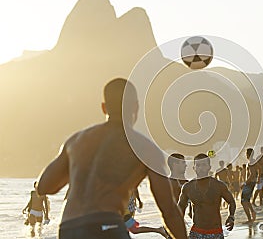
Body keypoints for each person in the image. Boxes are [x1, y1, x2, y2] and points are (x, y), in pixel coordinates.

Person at [36, 78, 187, 239]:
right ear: (136, 106)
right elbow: (168, 209)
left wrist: (79, 168)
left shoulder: (77, 141)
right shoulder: (145, 148)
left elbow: (44, 186)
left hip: (68, 228)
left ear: (103, 107)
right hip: (107, 226)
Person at [178, 153, 236, 239]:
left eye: (204, 165)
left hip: (215, 232)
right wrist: (178, 225)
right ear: (194, 167)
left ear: (209, 167)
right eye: (198, 165)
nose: (201, 168)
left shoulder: (219, 186)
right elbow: (181, 207)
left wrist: (231, 217)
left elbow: (231, 201)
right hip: (196, 232)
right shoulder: (188, 187)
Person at [241, 148, 258, 224]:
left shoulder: (251, 162)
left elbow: (252, 174)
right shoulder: (254, 161)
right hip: (252, 183)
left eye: (246, 153)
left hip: (249, 183)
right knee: (247, 201)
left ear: (248, 154)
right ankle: (253, 212)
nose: (246, 155)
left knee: (243, 201)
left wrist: (245, 183)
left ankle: (250, 218)